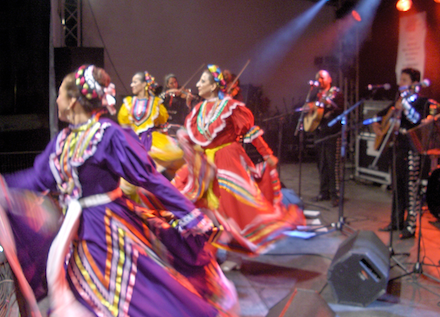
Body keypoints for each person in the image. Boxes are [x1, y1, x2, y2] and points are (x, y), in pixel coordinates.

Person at [0, 65, 238, 316]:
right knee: (88, 296)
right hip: (76, 234)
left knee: (131, 299)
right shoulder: (62, 141)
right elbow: (37, 178)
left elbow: (150, 179)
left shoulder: (108, 135)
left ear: (72, 101)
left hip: (109, 229)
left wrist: (190, 214)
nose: (56, 99)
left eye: (60, 93)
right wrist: (4, 185)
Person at [173, 64, 304, 257]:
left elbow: (250, 132)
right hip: (206, 161)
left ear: (214, 85)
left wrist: (266, 154)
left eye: (202, 81)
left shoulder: (230, 106)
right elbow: (197, 137)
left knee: (234, 204)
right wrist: (184, 141)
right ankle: (213, 243)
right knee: (190, 193)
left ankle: (235, 243)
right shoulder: (199, 109)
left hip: (227, 159)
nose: (198, 84)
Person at [374, 68, 430, 239]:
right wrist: (377, 126)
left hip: (413, 149)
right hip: (398, 148)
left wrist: (404, 106)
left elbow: (417, 120)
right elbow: (379, 115)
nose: (400, 83)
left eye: (404, 80)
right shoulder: (397, 101)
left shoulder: (422, 102)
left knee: (411, 189)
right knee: (397, 187)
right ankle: (396, 221)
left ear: (414, 84)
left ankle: (411, 226)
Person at [308, 70, 344, 207]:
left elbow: (339, 109)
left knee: (332, 164)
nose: (319, 80)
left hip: (332, 133)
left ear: (329, 79)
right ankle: (324, 192)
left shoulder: (335, 93)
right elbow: (311, 108)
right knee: (321, 164)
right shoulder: (316, 95)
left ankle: (336, 195)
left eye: (322, 78)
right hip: (319, 132)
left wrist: (328, 102)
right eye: (318, 78)